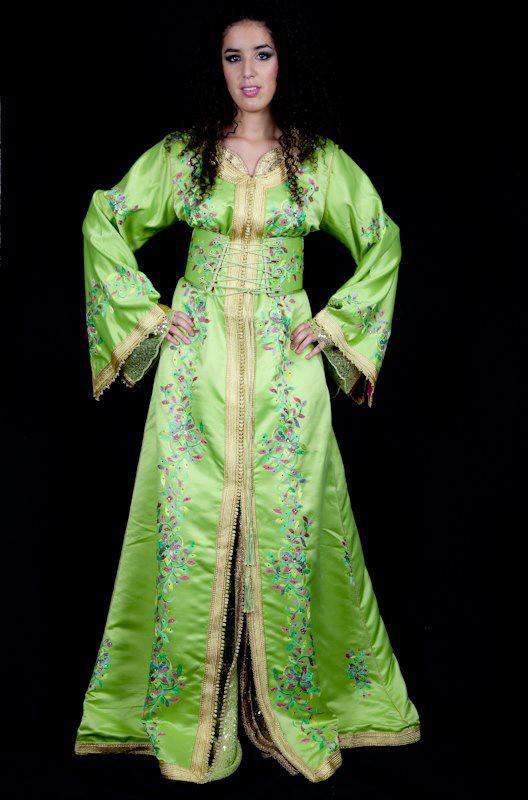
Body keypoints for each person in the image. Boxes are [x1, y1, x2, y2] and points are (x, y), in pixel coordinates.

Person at [74, 9, 420, 784]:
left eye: (261, 55)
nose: (249, 72)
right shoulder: (185, 157)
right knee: (183, 525)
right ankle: (180, 719)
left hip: (283, 370)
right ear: (218, 70)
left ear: (283, 63)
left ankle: (297, 704)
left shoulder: (316, 163)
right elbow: (106, 218)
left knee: (296, 525)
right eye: (233, 58)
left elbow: (381, 238)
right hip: (194, 367)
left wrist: (332, 324)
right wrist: (152, 314)